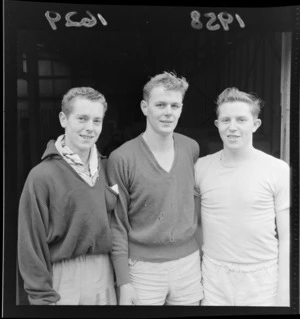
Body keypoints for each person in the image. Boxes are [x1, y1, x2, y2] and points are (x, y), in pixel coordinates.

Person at [106, 72, 203, 305]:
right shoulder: (121, 158)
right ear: (144, 107)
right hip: (142, 269)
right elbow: (116, 223)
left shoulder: (191, 148)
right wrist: (124, 282)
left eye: (174, 105)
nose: (168, 112)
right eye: (160, 104)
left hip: (188, 265)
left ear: (181, 108)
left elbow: (194, 203)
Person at [18, 87, 118, 305]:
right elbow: (31, 243)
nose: (89, 128)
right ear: (63, 119)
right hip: (65, 276)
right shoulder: (42, 176)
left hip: (105, 273)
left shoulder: (109, 168)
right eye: (82, 119)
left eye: (96, 121)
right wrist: (41, 296)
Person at [194, 87, 290, 306]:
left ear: (255, 125)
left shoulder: (277, 169)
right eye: (226, 120)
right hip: (214, 278)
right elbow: (196, 222)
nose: (233, 127)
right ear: (217, 125)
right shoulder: (201, 167)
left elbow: (287, 237)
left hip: (262, 279)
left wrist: (284, 293)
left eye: (241, 120)